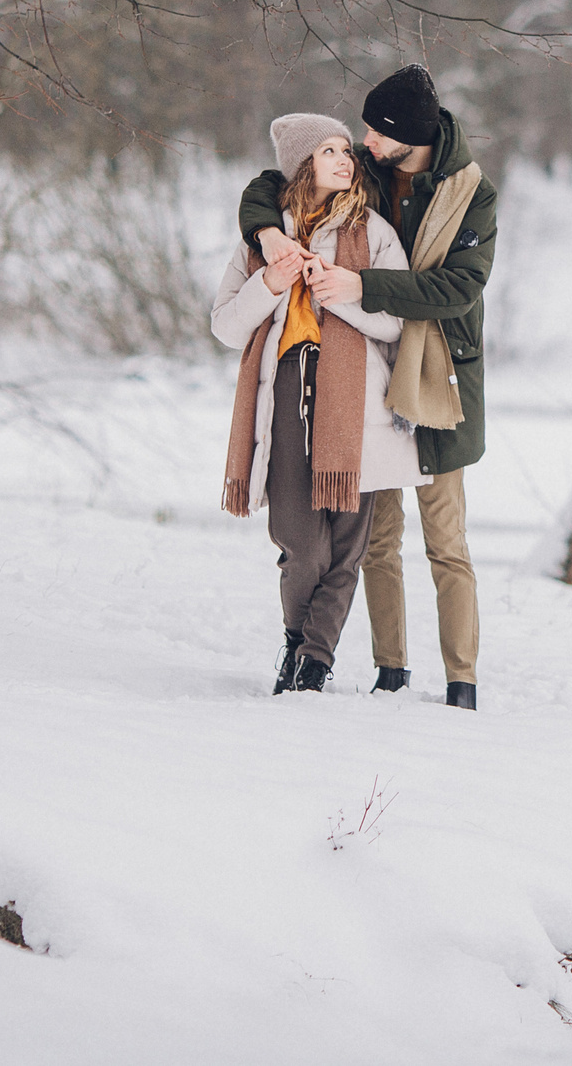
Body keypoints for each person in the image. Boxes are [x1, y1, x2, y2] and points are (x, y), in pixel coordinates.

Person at [240, 64, 496, 710]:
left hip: (436, 372)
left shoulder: (472, 194)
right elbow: (277, 180)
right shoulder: (370, 168)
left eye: (375, 133)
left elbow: (458, 288)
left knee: (446, 537)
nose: (362, 143)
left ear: (410, 135)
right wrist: (265, 229)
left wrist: (364, 287)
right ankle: (391, 670)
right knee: (379, 536)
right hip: (374, 367)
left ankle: (461, 681)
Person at [210, 115, 419, 694]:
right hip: (285, 394)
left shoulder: (373, 231)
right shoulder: (264, 237)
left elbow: (400, 320)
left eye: (346, 150)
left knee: (347, 549)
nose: (345, 160)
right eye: (329, 151)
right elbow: (226, 327)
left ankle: (311, 665)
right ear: (303, 163)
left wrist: (344, 297)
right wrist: (271, 285)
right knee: (301, 546)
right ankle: (297, 642)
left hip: (358, 406)